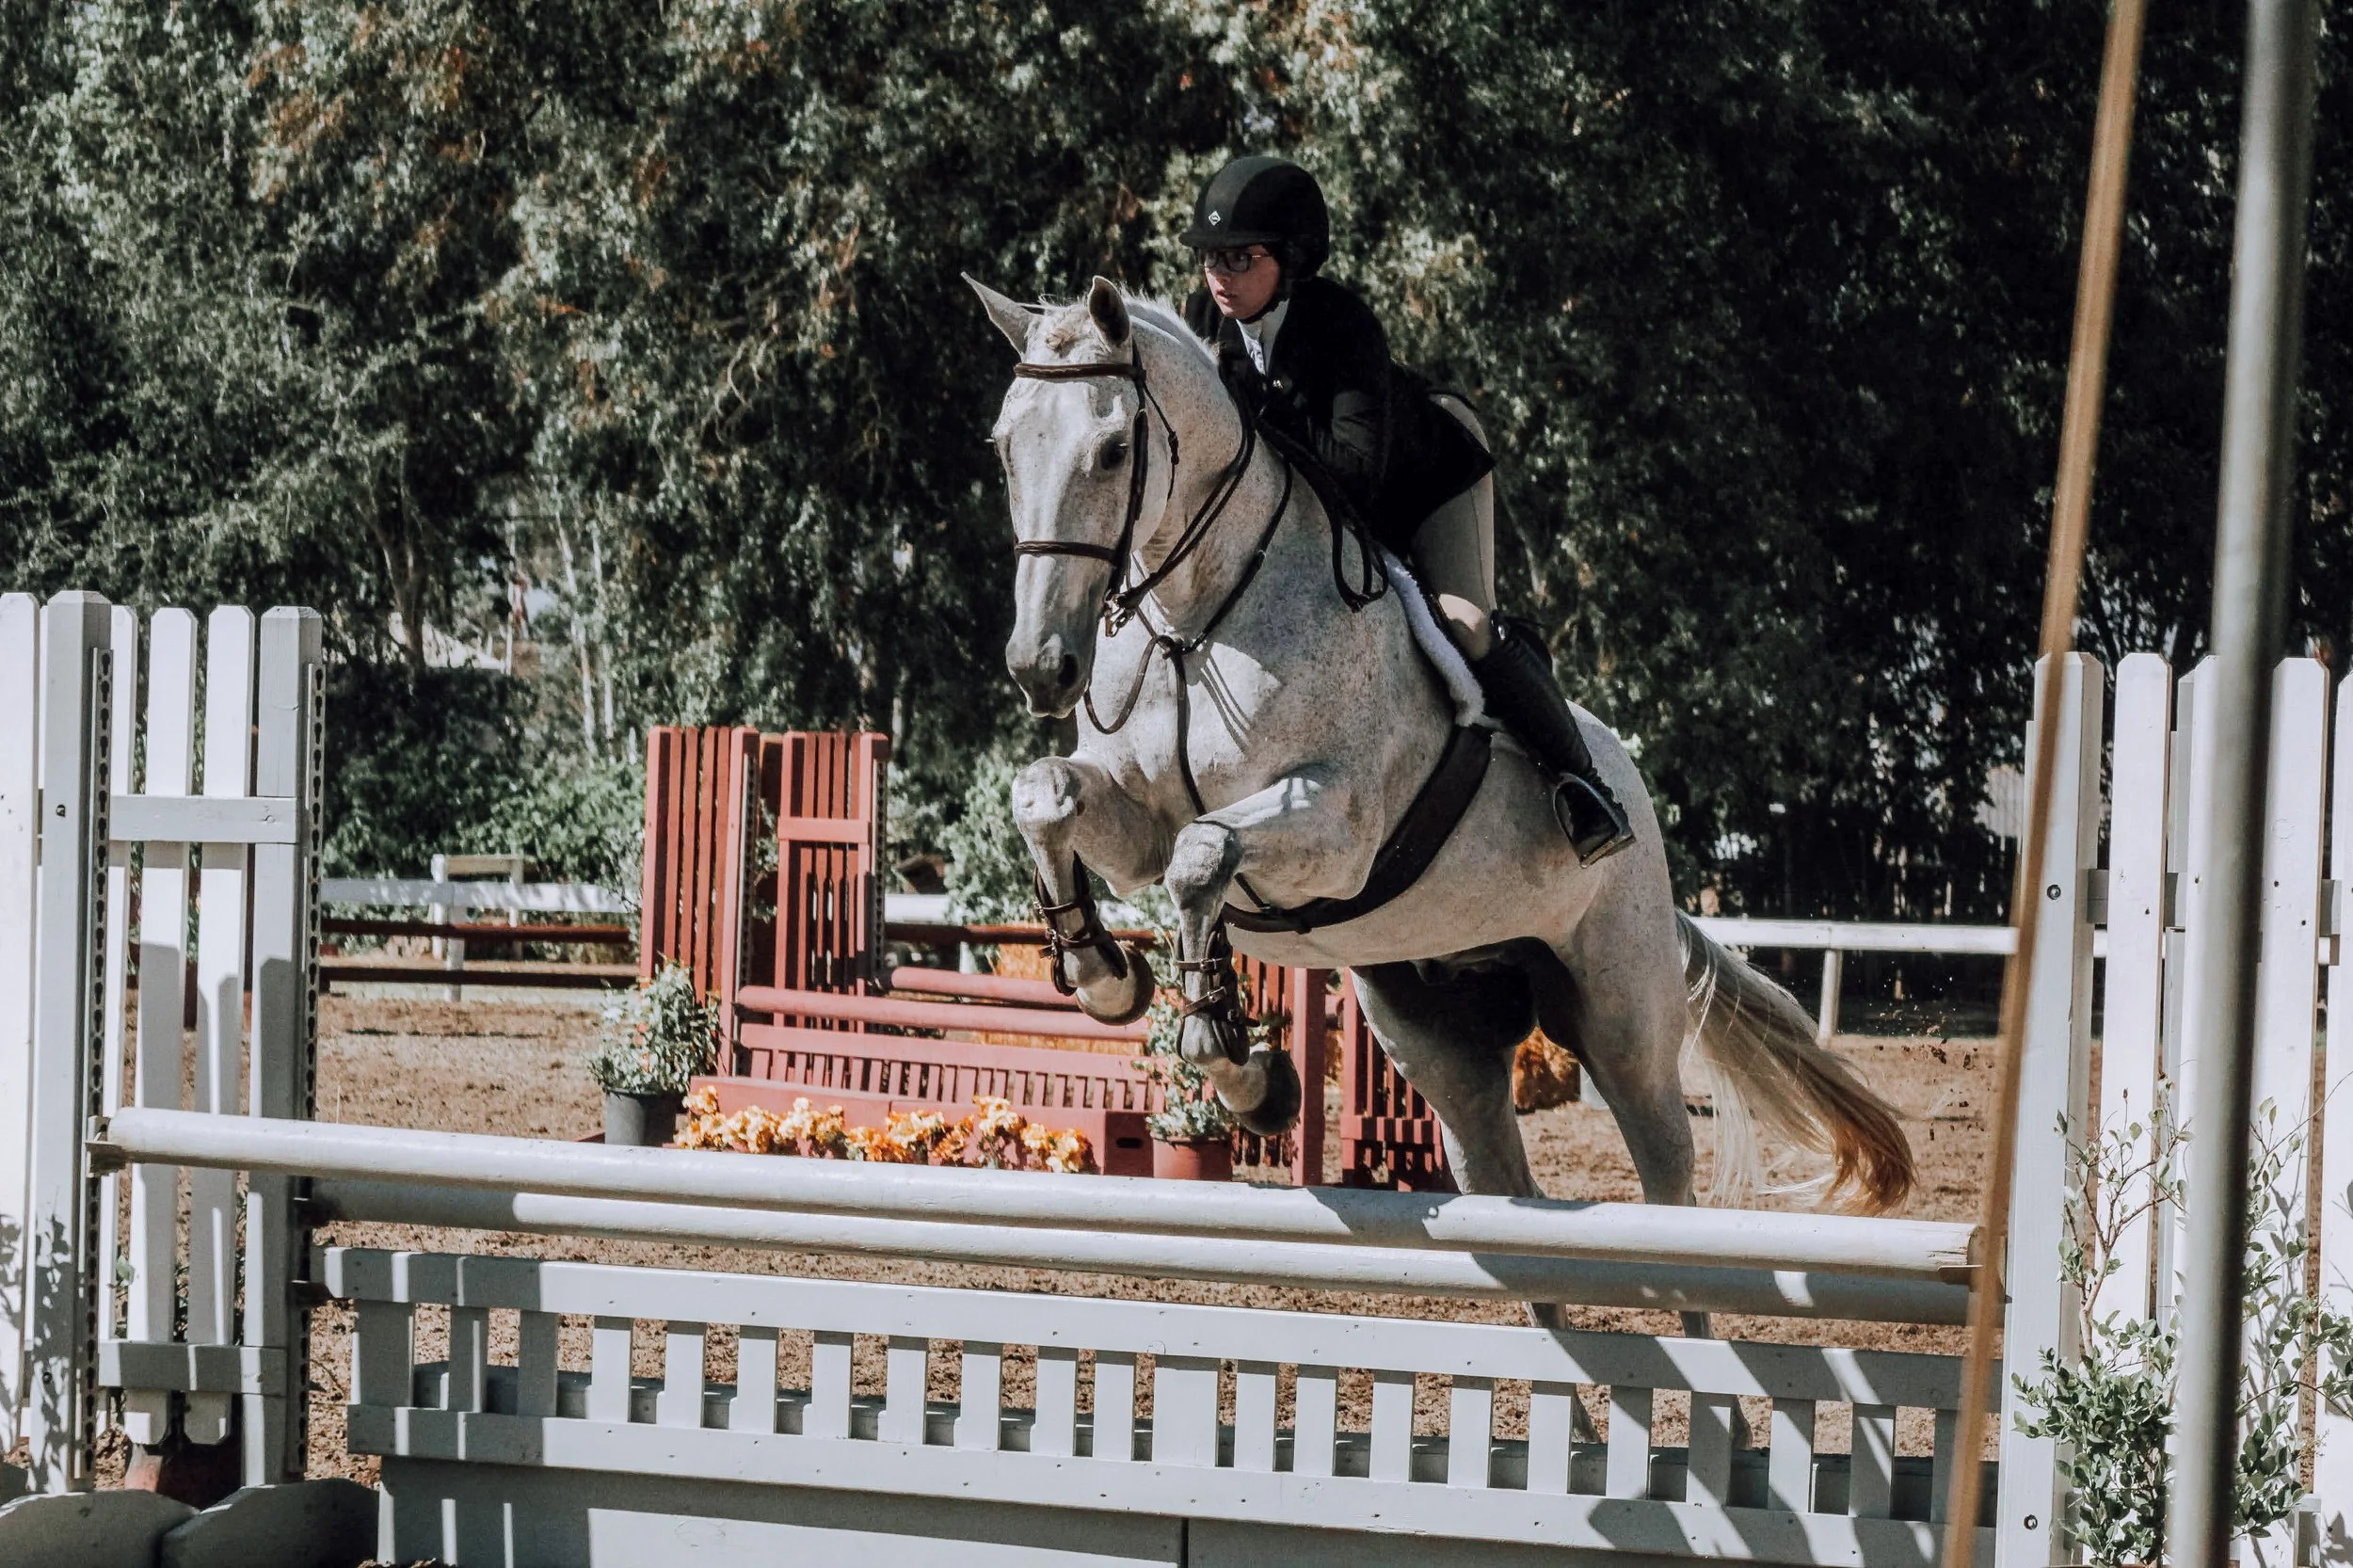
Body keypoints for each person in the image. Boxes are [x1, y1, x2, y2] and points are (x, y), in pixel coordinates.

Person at [1177, 154, 1635, 863]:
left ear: (1291, 259)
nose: (1219, 274)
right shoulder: (1203, 315)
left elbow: (1355, 473)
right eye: (1210, 256)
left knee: (1464, 622)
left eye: (1240, 256)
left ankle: (1582, 783)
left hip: (1423, 480)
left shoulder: (1343, 325)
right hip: (1321, 503)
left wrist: (1254, 418)